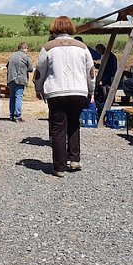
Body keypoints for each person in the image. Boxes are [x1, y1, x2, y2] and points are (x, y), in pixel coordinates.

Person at [34, 17, 94, 177]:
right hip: (79, 91)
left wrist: (38, 89)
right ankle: (74, 159)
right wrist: (91, 90)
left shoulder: (47, 48)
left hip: (56, 92)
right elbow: (90, 72)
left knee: (58, 128)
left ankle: (59, 167)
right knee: (74, 124)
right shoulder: (82, 47)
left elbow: (40, 71)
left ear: (54, 28)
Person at [5, 42, 34, 122]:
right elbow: (30, 69)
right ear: (24, 48)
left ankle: (11, 115)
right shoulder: (25, 57)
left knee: (12, 97)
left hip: (11, 79)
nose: (27, 50)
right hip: (20, 79)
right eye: (27, 48)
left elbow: (7, 66)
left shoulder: (12, 56)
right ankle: (17, 116)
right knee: (18, 97)